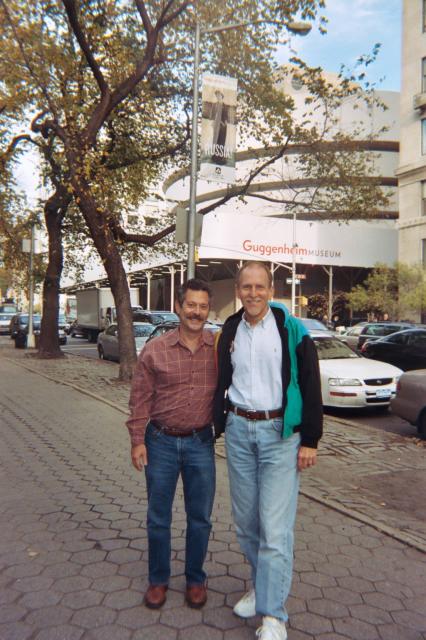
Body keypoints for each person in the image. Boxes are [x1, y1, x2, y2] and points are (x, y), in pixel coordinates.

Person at [213, 261, 323, 640]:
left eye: (260, 287)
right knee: (247, 524)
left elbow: (310, 384)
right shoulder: (230, 330)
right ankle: (262, 587)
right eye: (247, 287)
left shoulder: (292, 329)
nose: (253, 293)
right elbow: (222, 381)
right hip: (240, 433)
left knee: (275, 530)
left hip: (280, 436)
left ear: (271, 291)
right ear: (239, 291)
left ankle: (274, 615)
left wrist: (310, 439)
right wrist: (219, 423)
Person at [126, 279, 217, 610]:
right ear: (179, 307)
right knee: (158, 517)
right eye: (190, 305)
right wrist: (138, 441)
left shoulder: (219, 347)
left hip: (201, 443)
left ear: (208, 310)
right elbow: (140, 398)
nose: (196, 312)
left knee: (201, 518)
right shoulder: (156, 349)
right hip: (160, 441)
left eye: (202, 306)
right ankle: (158, 580)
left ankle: (195, 579)